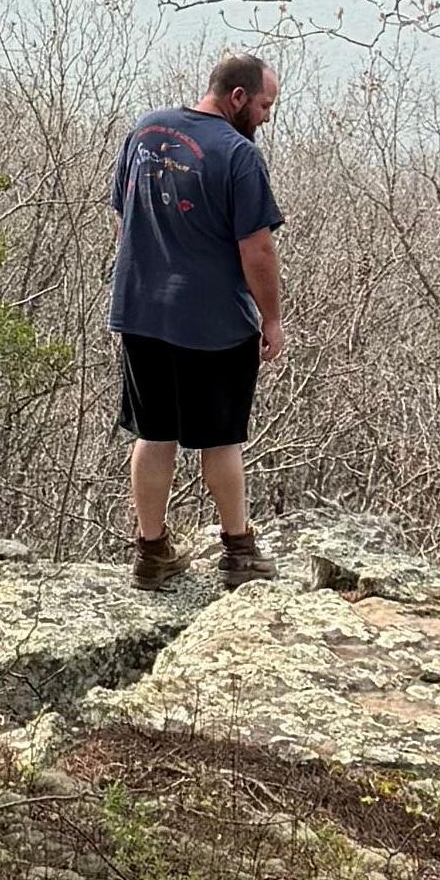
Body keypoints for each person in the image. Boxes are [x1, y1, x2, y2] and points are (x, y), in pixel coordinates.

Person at [107, 49, 283, 585]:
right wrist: (271, 320)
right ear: (237, 98)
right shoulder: (238, 155)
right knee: (219, 440)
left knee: (154, 434)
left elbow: (123, 214)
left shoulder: (145, 131)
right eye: (263, 104)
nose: (267, 116)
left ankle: (152, 553)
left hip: (141, 313)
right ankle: (238, 551)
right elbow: (257, 249)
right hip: (213, 324)